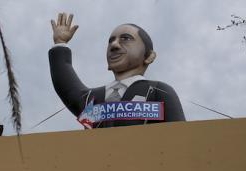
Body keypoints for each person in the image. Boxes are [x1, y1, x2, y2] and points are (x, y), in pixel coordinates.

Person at [49, 13, 185, 128]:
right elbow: (67, 88)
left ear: (149, 56)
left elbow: (178, 138)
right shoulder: (93, 98)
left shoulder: (158, 91)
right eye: (111, 41)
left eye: (126, 39)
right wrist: (60, 43)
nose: (114, 45)